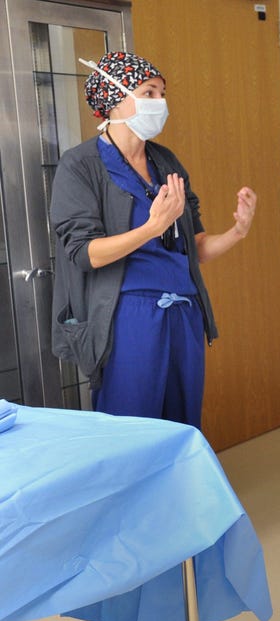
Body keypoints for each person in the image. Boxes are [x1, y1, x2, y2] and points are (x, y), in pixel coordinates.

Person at [51, 51, 256, 429]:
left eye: (162, 93)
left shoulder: (166, 162)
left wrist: (238, 231)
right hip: (127, 318)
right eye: (149, 92)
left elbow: (196, 248)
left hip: (184, 312)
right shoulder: (80, 166)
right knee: (131, 431)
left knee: (181, 427)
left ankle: (177, 491)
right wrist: (150, 227)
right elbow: (85, 254)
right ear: (114, 98)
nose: (160, 103)